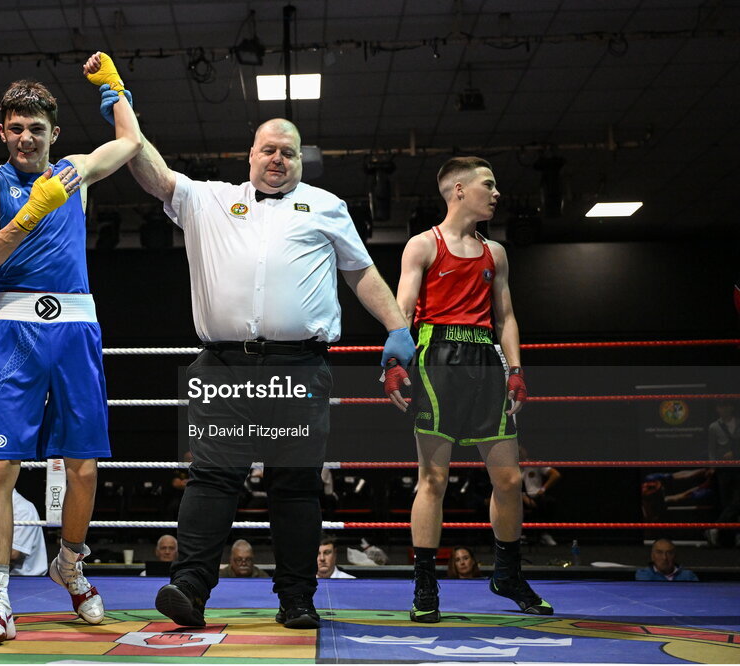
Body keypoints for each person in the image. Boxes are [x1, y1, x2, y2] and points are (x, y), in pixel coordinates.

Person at [121, 108, 415, 629]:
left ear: (301, 160)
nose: (277, 159)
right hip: (225, 366)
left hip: (298, 366)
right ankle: (189, 585)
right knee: (212, 477)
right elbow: (154, 174)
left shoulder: (326, 207)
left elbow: (361, 272)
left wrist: (397, 330)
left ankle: (297, 598)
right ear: (250, 155)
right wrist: (121, 104)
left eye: (289, 151)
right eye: (269, 149)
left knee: (296, 483)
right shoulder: (209, 198)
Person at [0, 51, 142, 647]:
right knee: (1, 466)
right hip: (14, 328)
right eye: (15, 127)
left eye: (36, 128)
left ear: (53, 133)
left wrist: (114, 90)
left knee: (84, 466)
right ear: (3, 131)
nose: (25, 137)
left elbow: (131, 143)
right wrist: (29, 217)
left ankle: (70, 562)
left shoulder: (72, 171)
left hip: (75, 328)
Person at [394, 156, 553, 623]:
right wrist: (394, 364)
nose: (497, 192)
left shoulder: (496, 252)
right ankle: (425, 583)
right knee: (434, 479)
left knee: (508, 478)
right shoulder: (422, 245)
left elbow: (504, 317)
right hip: (435, 358)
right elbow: (404, 311)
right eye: (489, 183)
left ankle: (507, 572)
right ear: (458, 190)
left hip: (486, 360)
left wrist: (516, 368)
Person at [707, 401, 739, 547]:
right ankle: (730, 537)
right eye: (720, 405)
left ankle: (716, 528)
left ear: (732, 406)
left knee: (737, 502)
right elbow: (712, 450)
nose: (724, 408)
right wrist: (713, 466)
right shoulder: (714, 427)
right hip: (724, 469)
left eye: (726, 405)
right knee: (727, 502)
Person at [520, 445, 561, 546]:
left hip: (536, 496)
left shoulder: (535, 463)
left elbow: (556, 474)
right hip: (519, 496)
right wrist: (523, 497)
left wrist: (543, 489)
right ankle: (519, 535)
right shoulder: (512, 466)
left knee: (549, 502)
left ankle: (544, 534)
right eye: (517, 450)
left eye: (521, 450)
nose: (519, 452)